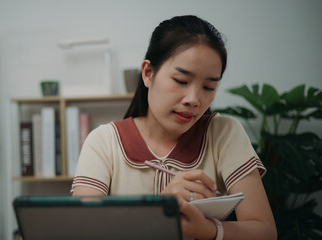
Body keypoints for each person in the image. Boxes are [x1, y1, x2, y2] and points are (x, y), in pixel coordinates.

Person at [71, 15, 277, 239]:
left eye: (208, 87)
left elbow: (264, 231)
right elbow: (80, 230)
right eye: (181, 80)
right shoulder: (104, 141)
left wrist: (208, 230)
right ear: (148, 73)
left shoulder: (224, 133)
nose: (193, 99)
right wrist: (158, 212)